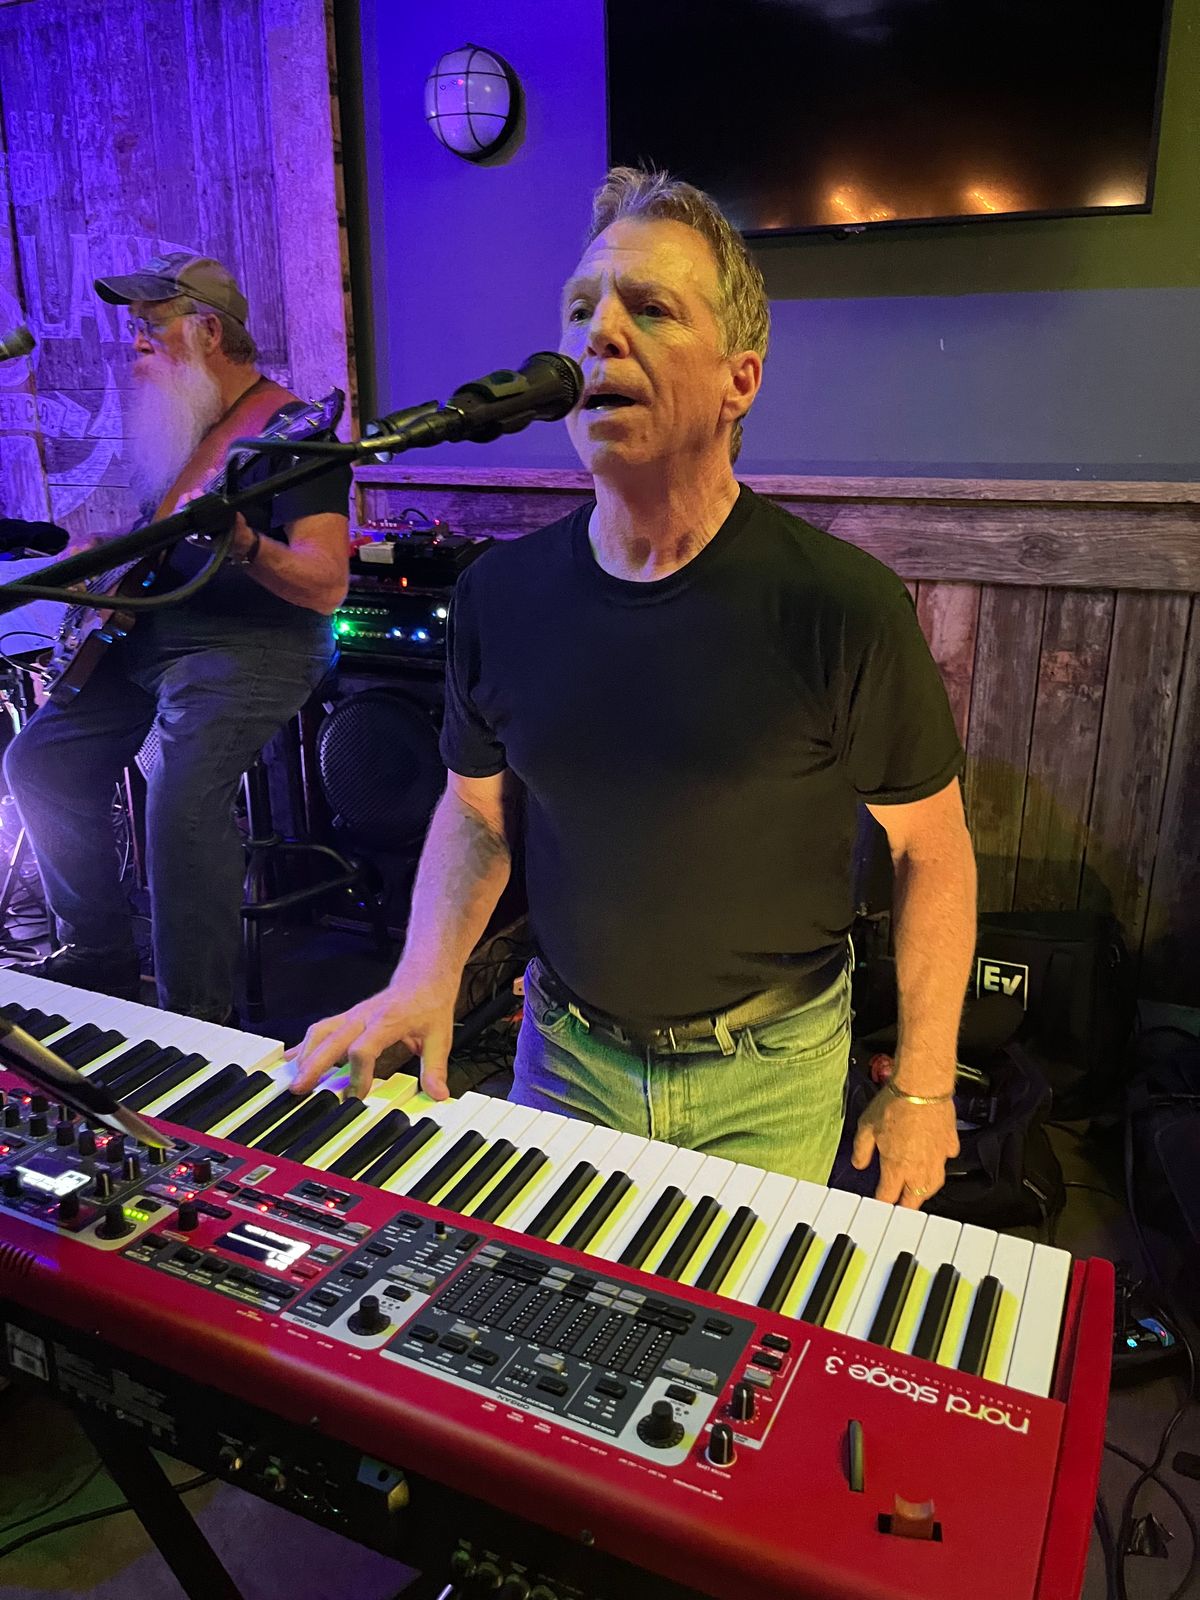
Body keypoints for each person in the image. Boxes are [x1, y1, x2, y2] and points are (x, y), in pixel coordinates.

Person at [290, 169, 976, 1207]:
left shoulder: (841, 606)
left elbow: (931, 846)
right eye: (580, 310)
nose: (598, 333)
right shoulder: (499, 597)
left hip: (770, 1072)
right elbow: (477, 812)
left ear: (740, 380)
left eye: (650, 308)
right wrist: (425, 974)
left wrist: (924, 1084)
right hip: (566, 1055)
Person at [5, 253, 349, 1023]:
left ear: (207, 331)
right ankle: (97, 952)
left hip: (255, 643)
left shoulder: (293, 432)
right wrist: (97, 568)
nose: (135, 342)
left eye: (151, 325)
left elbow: (327, 582)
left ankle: (196, 1020)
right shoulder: (190, 427)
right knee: (40, 760)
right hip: (156, 631)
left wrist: (247, 545)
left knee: (181, 799)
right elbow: (160, 546)